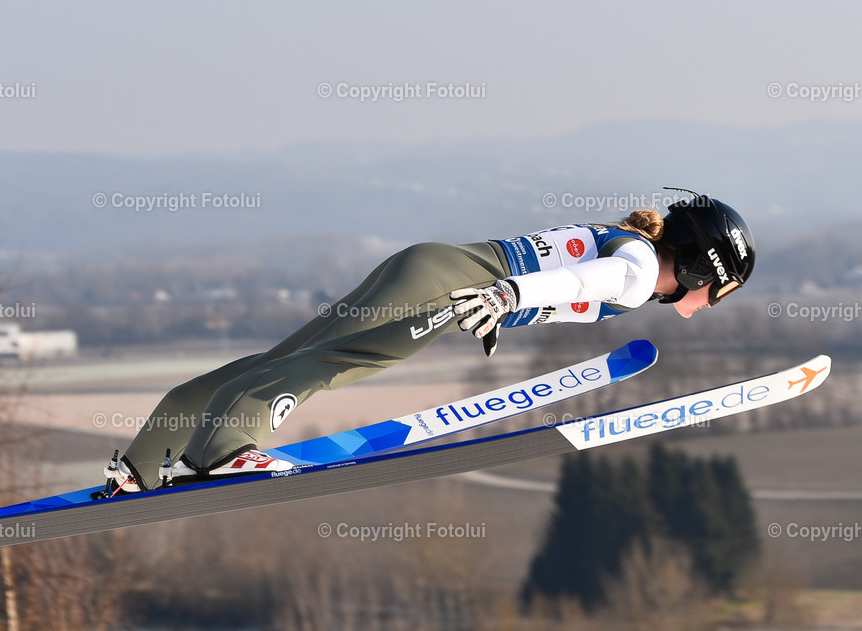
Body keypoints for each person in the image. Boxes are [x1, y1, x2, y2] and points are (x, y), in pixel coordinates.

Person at [103, 193, 754, 493]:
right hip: (451, 287)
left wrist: (507, 305)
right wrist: (508, 297)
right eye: (712, 293)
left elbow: (560, 271)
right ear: (702, 269)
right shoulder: (639, 270)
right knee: (337, 361)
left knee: (287, 359)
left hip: (435, 269)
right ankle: (222, 450)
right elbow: (597, 277)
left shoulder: (634, 245)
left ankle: (148, 456)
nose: (699, 307)